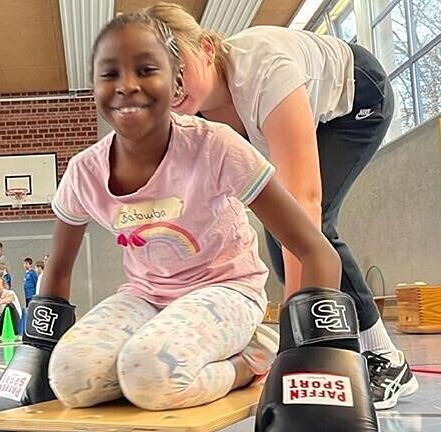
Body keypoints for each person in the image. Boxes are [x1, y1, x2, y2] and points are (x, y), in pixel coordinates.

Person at [0, 13, 377, 429]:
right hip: (146, 297)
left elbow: (315, 248)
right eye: (111, 73)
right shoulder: (85, 171)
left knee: (149, 374)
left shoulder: (216, 146)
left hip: (226, 290)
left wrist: (305, 349)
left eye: (146, 69)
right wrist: (37, 348)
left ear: (173, 82)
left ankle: (250, 355)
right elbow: (58, 270)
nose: (128, 86)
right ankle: (162, 357)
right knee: (70, 376)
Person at [145, 2, 414, 409]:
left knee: (310, 227)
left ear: (205, 47)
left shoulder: (264, 69)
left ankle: (386, 359)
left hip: (356, 98)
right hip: (302, 113)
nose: (173, 86)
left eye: (176, 66)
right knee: (278, 229)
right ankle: (348, 345)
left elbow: (302, 202)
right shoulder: (188, 117)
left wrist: (292, 340)